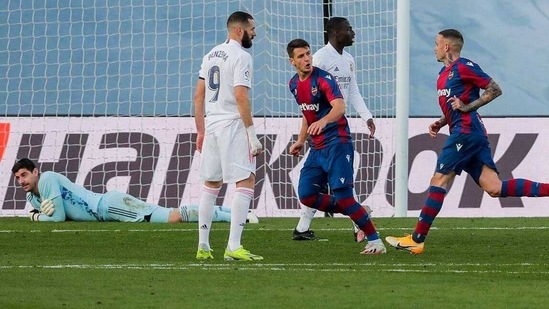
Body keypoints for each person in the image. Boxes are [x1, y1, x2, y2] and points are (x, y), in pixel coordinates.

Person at [385, 28, 549, 254]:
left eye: (436, 43)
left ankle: (417, 238)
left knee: (439, 179)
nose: (433, 47)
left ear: (446, 47)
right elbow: (457, 103)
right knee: (494, 187)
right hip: (469, 133)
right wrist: (442, 121)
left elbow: (494, 89)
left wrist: (467, 108)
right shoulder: (443, 74)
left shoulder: (464, 66)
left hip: (466, 132)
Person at [286, 38, 386, 255]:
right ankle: (360, 212)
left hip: (337, 143)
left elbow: (339, 107)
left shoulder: (323, 79)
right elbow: (307, 114)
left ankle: (376, 241)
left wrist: (324, 121)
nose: (307, 59)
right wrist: (301, 140)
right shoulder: (294, 84)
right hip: (316, 148)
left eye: (308, 54)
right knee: (307, 195)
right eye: (301, 56)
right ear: (292, 61)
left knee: (344, 197)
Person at [193, 11, 263, 261]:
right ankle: (233, 246)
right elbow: (241, 96)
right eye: (252, 29)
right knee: (245, 181)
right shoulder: (242, 56)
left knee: (211, 186)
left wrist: (200, 130)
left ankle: (203, 246)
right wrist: (252, 135)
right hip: (232, 125)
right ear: (240, 31)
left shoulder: (210, 54)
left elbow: (198, 96)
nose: (255, 33)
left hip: (211, 125)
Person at [12, 158, 260, 223]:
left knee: (171, 217)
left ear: (36, 171)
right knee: (169, 214)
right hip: (107, 209)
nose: (21, 180)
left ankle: (237, 217)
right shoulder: (33, 196)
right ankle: (235, 213)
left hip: (109, 206)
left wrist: (36, 216)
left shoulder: (47, 180)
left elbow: (56, 217)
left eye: (24, 174)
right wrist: (37, 212)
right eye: (17, 178)